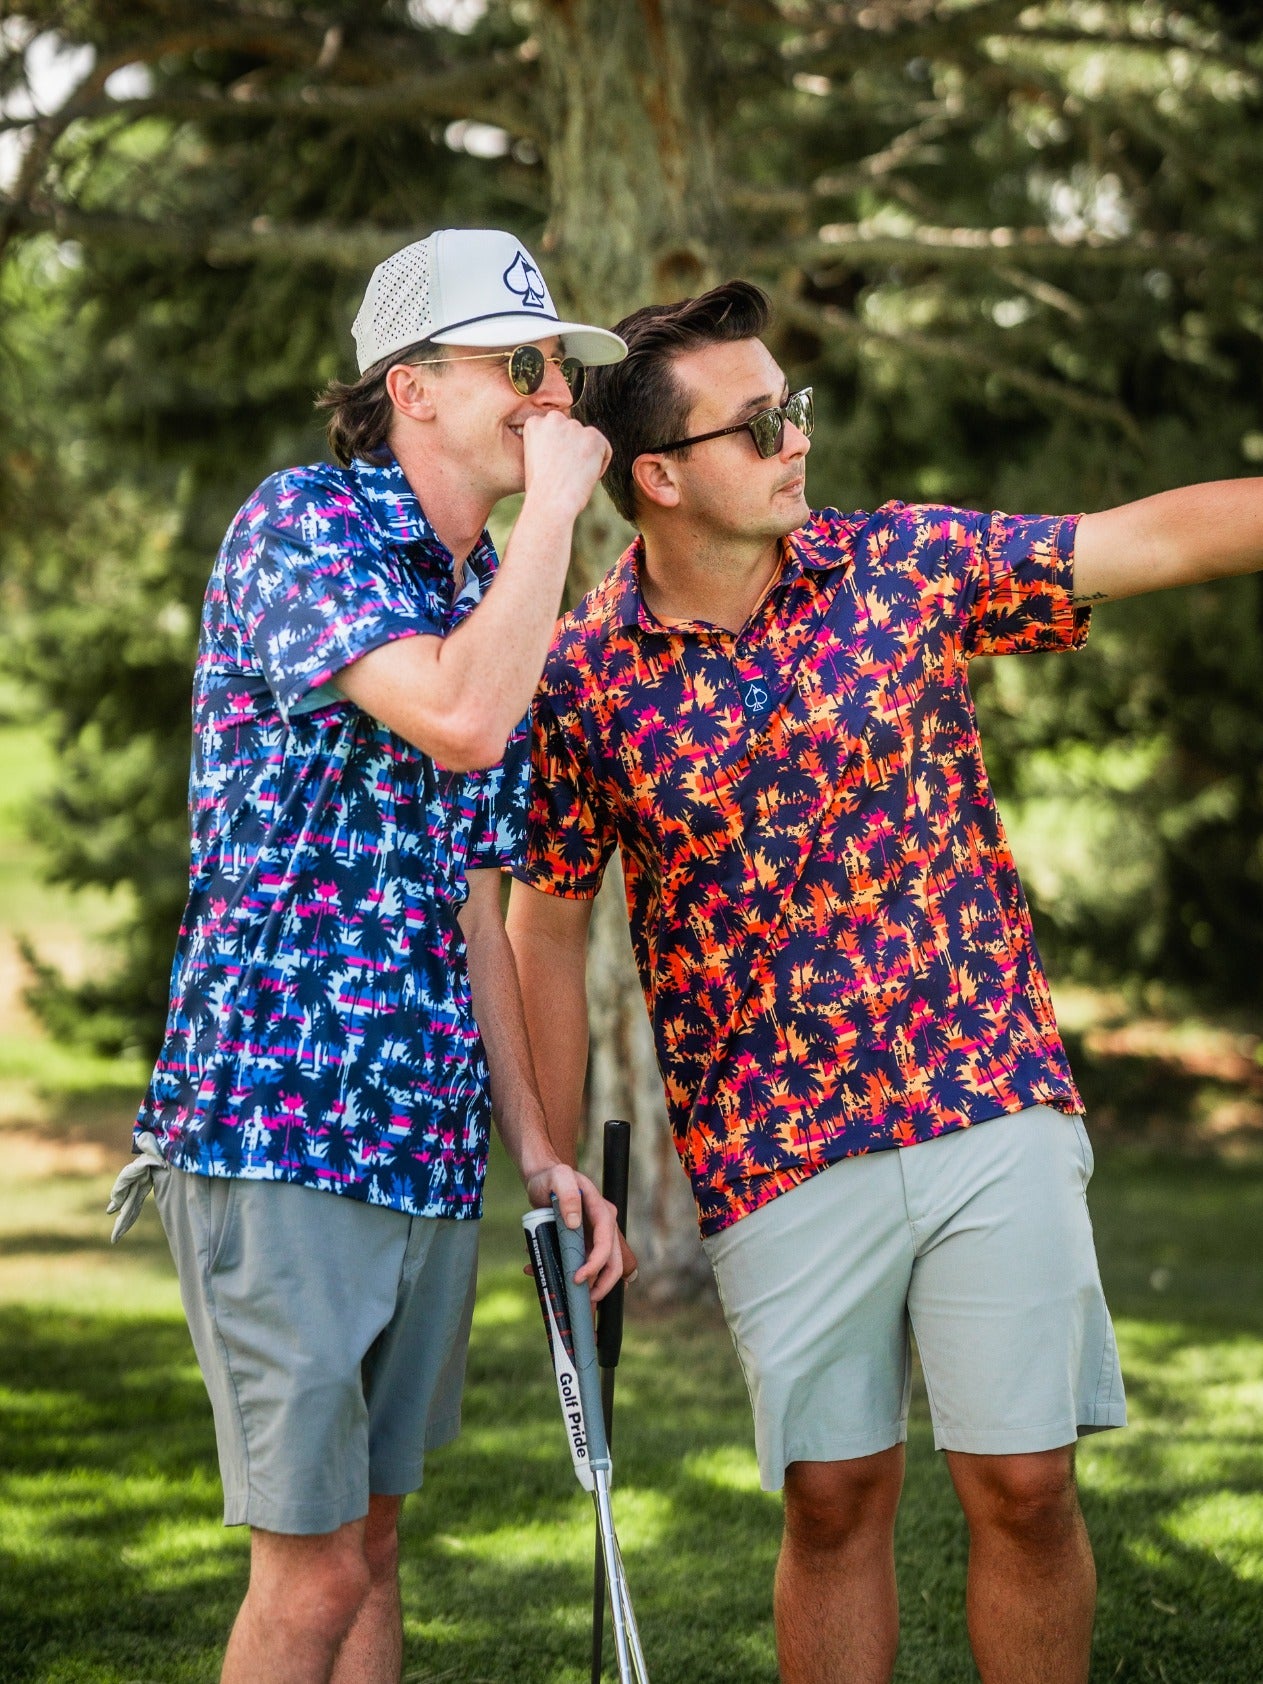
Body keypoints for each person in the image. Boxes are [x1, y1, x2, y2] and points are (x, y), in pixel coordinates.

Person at [504, 279, 1263, 1684]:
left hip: (986, 1094)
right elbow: (546, 923)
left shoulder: (901, 564)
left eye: (793, 408)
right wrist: (553, 1160)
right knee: (834, 1499)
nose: (797, 438)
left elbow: (1138, 538)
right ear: (657, 476)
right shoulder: (580, 681)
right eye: (758, 424)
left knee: (1026, 1484)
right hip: (774, 1147)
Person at [108, 227, 626, 1684]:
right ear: (411, 387)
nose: (548, 398)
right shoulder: (305, 526)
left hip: (417, 1146)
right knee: (314, 1570)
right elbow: (456, 717)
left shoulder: (490, 598)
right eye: (515, 368)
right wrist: (556, 522)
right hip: (281, 1122)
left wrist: (533, 1148)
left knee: (377, 1548)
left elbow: (476, 904)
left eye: (557, 372)